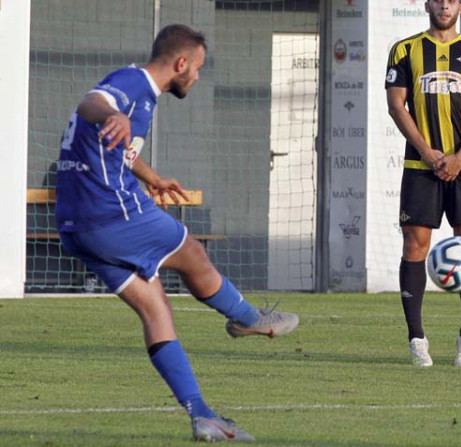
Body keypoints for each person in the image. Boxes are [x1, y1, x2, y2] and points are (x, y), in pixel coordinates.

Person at [55, 24, 299, 442]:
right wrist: (111, 113)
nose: (198, 77)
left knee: (156, 310)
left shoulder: (145, 98)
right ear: (181, 63)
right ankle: (248, 319)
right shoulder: (132, 81)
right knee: (191, 252)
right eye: (198, 68)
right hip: (111, 211)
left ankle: (202, 415)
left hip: (76, 225)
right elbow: (90, 102)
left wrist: (152, 176)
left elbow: (121, 150)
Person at [385, 0, 461, 367]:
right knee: (415, 245)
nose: (444, 6)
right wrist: (429, 152)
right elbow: (397, 106)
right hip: (421, 164)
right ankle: (417, 341)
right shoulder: (405, 50)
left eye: (451, 0)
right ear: (427, 5)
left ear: (460, 8)